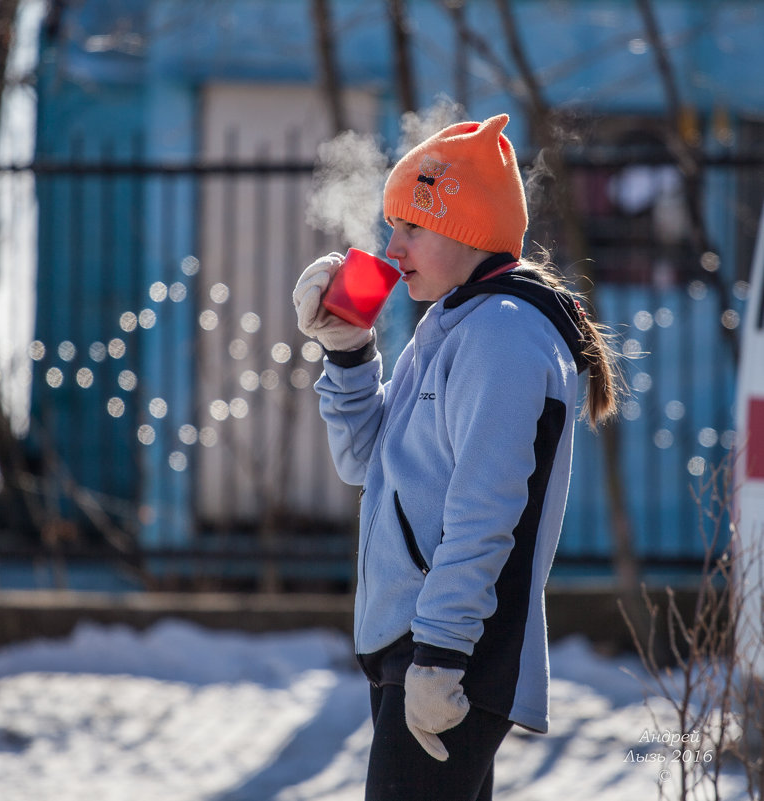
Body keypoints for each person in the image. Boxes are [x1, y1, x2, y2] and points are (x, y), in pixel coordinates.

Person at [292, 114, 621, 801]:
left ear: (465, 227)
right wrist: (348, 350)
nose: (392, 245)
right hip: (416, 645)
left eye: (410, 225)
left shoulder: (501, 334)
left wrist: (441, 654)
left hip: (448, 651)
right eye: (391, 225)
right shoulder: (451, 324)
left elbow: (484, 509)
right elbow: (365, 463)